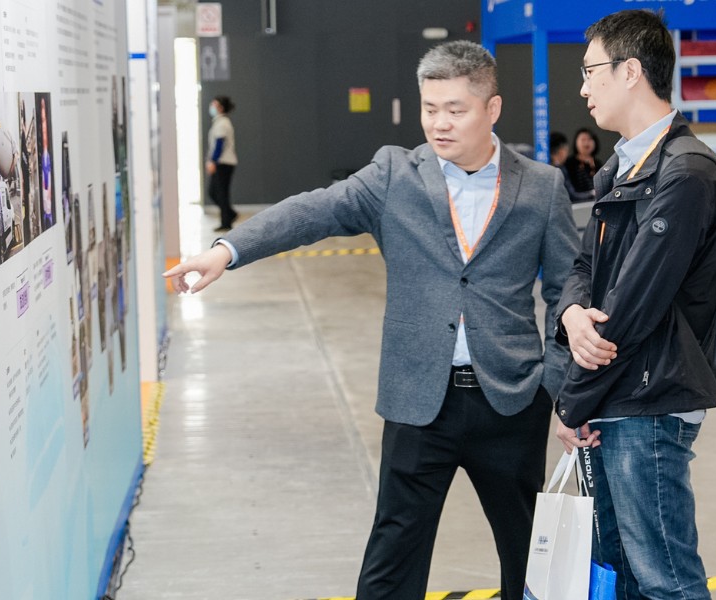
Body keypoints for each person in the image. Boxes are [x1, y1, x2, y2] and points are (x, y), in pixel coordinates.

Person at [162, 41, 578, 600]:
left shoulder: (542, 187)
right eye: (430, 108)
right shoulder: (394, 175)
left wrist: (555, 384)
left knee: (529, 562)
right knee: (391, 565)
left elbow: (567, 292)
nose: (439, 123)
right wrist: (227, 250)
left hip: (511, 402)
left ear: (493, 109)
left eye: (455, 109)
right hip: (418, 403)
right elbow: (312, 211)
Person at [551, 10, 716, 599]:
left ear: (630, 71)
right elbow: (584, 269)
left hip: (649, 400)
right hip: (616, 396)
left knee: (665, 582)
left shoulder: (685, 173)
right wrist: (571, 315)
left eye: (590, 70)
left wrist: (571, 402)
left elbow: (632, 307)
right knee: (620, 580)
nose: (583, 87)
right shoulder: (620, 168)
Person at [206, 95, 239, 231]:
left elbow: (219, 144)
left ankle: (227, 219)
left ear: (220, 107)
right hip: (222, 163)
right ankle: (229, 216)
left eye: (214, 104)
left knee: (219, 193)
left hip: (223, 163)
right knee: (216, 193)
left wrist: (213, 161)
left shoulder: (223, 123)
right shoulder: (220, 122)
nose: (211, 107)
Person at [566, 128, 603, 198]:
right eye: (583, 140)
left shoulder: (598, 164)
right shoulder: (569, 163)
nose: (586, 143)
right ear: (576, 142)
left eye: (589, 139)